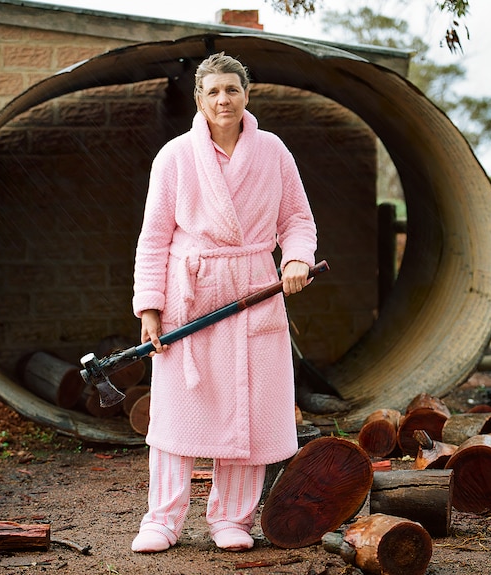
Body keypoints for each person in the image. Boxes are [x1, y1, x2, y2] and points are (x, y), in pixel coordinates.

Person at [129, 52, 317, 553]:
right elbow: (153, 238)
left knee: (249, 409)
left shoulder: (274, 152)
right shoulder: (173, 157)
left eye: (232, 89)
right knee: (175, 412)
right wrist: (150, 307)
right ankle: (162, 520)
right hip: (189, 293)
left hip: (255, 285)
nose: (223, 99)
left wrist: (296, 260)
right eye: (212, 91)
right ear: (198, 99)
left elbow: (297, 219)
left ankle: (232, 520)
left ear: (247, 94)